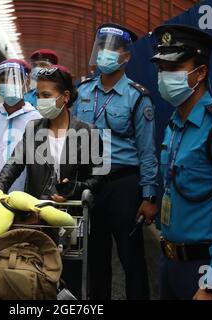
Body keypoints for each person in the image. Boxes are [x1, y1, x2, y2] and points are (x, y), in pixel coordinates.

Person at [151, 25, 212, 300]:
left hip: (203, 268)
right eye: (161, 68)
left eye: (174, 68)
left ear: (201, 73)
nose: (164, 76)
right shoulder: (174, 125)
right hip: (170, 263)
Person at [0, 65, 105, 298]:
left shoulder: (88, 132)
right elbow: (13, 164)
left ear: (65, 97)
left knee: (72, 280)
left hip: (72, 222)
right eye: (37, 95)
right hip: (37, 221)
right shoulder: (33, 129)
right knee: (36, 277)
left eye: (46, 95)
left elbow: (100, 178)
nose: (39, 100)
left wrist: (76, 188)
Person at [72, 23, 158, 300]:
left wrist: (148, 195)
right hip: (90, 183)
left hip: (124, 184)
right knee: (94, 258)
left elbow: (147, 151)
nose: (104, 55)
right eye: (101, 48)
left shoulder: (137, 96)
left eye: (112, 50)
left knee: (131, 257)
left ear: (126, 57)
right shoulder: (82, 92)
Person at [0, 59, 41, 191]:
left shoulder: (38, 120)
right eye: (4, 80)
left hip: (26, 203)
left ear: (26, 82)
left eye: (14, 79)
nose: (9, 84)